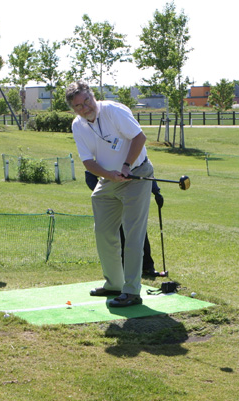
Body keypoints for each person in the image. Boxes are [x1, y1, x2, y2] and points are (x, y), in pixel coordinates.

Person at [66, 80, 154, 307]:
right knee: (104, 231)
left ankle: (132, 291)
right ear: (73, 109)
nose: (85, 107)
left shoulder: (113, 111)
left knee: (133, 233)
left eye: (86, 100)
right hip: (109, 179)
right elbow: (87, 161)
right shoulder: (78, 125)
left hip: (137, 174)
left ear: (92, 96)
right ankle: (114, 284)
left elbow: (139, 137)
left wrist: (125, 165)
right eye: (78, 106)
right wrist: (109, 174)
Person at [84, 171, 166, 277]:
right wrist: (106, 192)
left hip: (133, 196)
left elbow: (145, 174)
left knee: (139, 232)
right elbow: (90, 176)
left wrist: (156, 191)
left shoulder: (137, 158)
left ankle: (147, 267)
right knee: (120, 233)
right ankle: (124, 268)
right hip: (112, 199)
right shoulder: (103, 156)